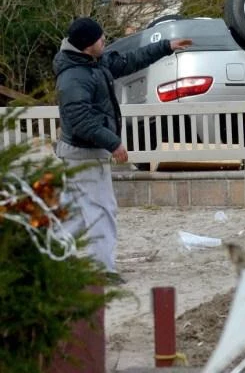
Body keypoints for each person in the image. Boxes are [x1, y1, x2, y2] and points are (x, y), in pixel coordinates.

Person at [53, 17, 192, 283]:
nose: (103, 39)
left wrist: (166, 46)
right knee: (102, 208)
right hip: (83, 152)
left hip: (84, 151)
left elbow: (129, 61)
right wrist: (113, 142)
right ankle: (101, 269)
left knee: (77, 212)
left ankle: (49, 257)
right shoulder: (73, 77)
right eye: (99, 37)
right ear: (85, 45)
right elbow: (80, 119)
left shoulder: (93, 62)